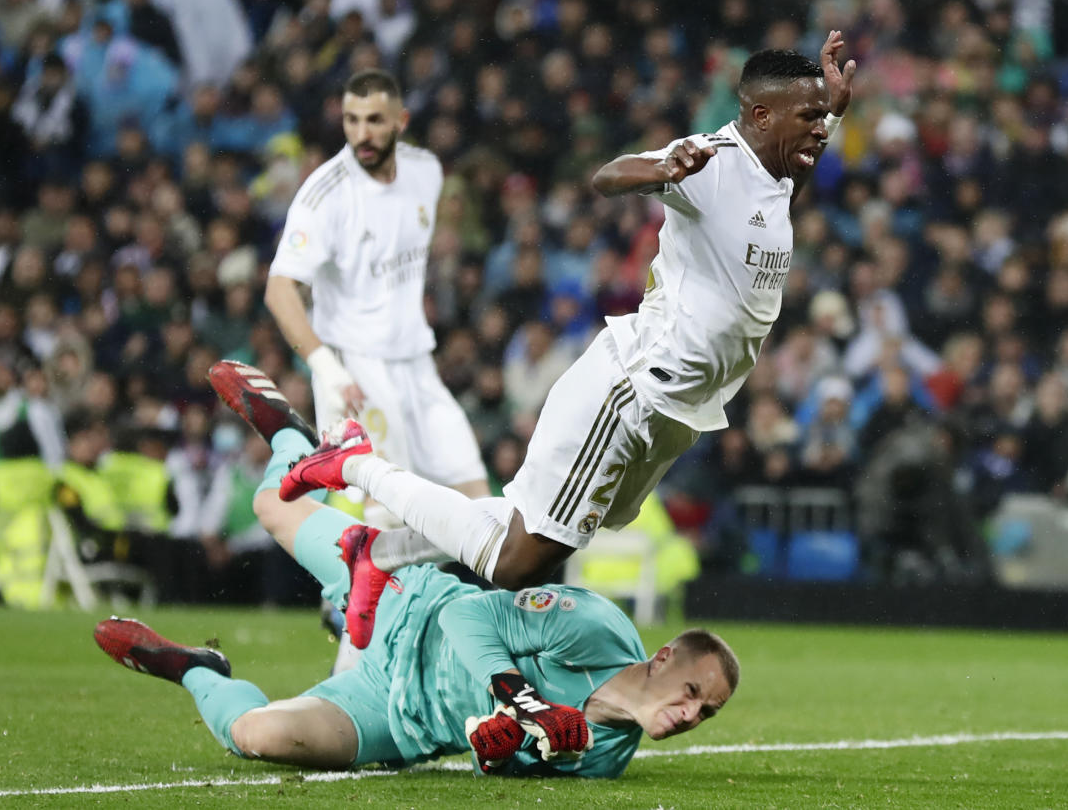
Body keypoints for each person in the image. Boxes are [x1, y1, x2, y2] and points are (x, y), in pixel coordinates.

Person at [277, 36, 857, 602]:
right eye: (808, 116)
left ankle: (377, 555)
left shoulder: (775, 173)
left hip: (681, 410)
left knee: (530, 532)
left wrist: (832, 109)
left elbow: (783, 189)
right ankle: (358, 466)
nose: (819, 127)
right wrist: (664, 170)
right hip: (634, 391)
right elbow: (608, 176)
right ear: (760, 114)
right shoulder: (711, 158)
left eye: (820, 118)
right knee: (517, 563)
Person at [95, 364, 738, 778]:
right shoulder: (594, 628)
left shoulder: (603, 758)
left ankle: (199, 672)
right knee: (270, 506)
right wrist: (520, 694)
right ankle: (293, 439)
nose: (689, 717)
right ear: (661, 659)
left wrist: (501, 742)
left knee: (256, 736)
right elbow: (466, 612)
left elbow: (510, 757)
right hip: (406, 603)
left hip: (402, 718)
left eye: (704, 714)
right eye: (691, 694)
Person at [263, 68, 488, 666]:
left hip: (417, 363)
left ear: (400, 122)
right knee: (393, 511)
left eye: (374, 121)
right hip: (354, 368)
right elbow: (280, 289)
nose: (362, 133)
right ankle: (358, 664)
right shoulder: (325, 193)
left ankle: (351, 595)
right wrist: (325, 367)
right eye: (351, 120)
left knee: (475, 509)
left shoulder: (427, 173)